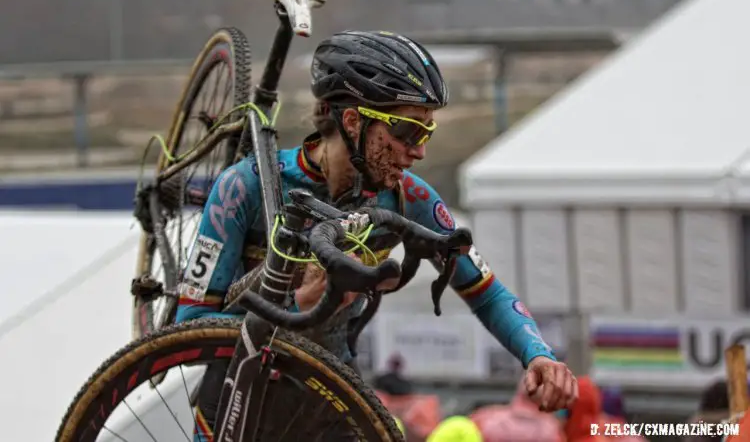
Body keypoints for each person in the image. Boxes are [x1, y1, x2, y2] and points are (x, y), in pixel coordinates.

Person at [175, 30, 578, 441]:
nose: (419, 151)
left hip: (330, 387)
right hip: (240, 395)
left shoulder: (409, 196)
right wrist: (298, 304)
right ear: (352, 121)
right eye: (408, 132)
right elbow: (188, 330)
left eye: (427, 133)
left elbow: (486, 292)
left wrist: (538, 356)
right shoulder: (243, 187)